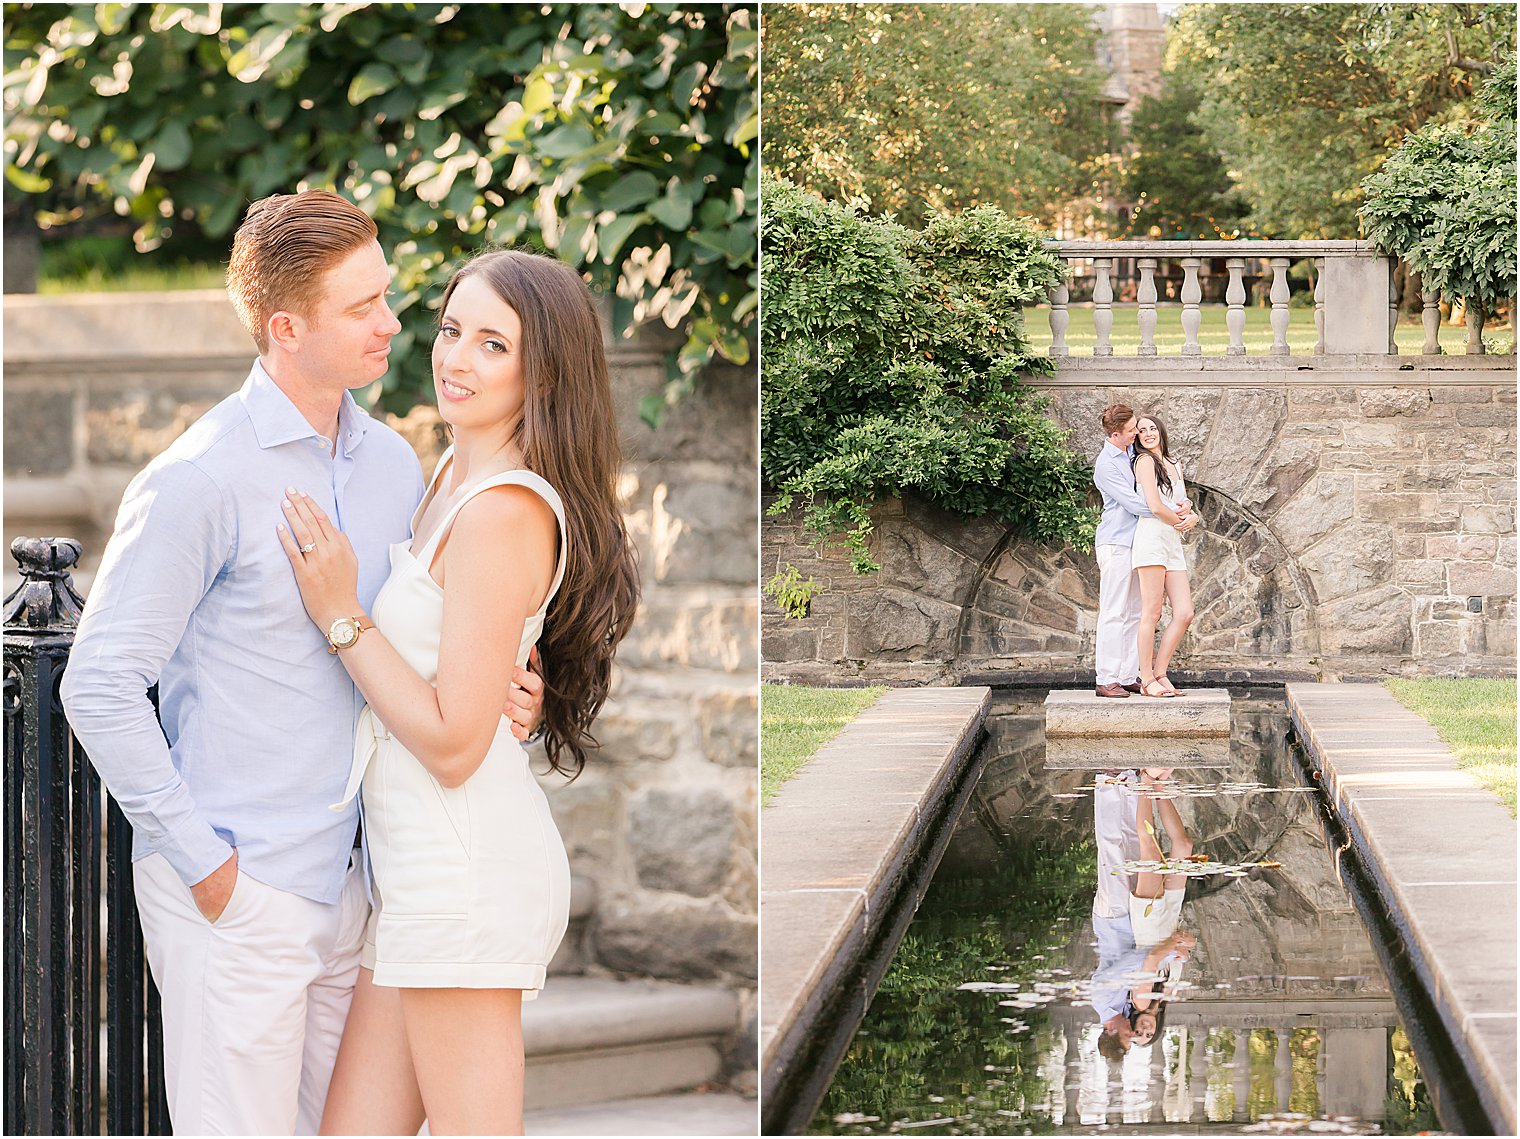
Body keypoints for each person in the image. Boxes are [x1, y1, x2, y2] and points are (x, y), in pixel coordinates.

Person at [60, 191, 543, 1136]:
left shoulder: (397, 468)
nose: (393, 323)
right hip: (242, 891)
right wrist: (206, 869)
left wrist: (512, 685)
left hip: (359, 888)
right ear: (286, 327)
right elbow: (98, 682)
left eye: (387, 295)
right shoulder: (200, 478)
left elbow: (416, 634)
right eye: (361, 306)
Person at [277, 248, 640, 1135]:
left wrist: (339, 612)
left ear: (540, 371)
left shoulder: (501, 511)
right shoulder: (447, 479)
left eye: (492, 345)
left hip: (462, 871)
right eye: (450, 330)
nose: (455, 358)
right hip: (412, 872)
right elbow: (470, 659)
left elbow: (451, 741)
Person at [1091, 404, 1195, 699]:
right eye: (1132, 429)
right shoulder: (1107, 465)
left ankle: (1128, 675)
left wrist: (1183, 509)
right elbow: (1139, 504)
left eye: (1140, 426)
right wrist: (1177, 517)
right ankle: (1107, 678)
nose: (1138, 432)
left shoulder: (1131, 454)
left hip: (1137, 540)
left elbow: (1164, 492)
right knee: (1114, 611)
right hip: (1116, 540)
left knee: (1136, 612)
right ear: (1116, 434)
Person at [1130, 414, 1195, 698]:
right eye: (1141, 430)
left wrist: (1193, 516)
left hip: (1172, 543)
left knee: (1184, 613)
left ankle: (1160, 671)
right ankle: (1146, 678)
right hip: (1152, 540)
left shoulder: (1174, 463)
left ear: (1161, 431)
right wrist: (1181, 521)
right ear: (1136, 437)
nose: (1147, 433)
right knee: (1152, 612)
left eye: (1152, 428)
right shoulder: (1144, 462)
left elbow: (1181, 503)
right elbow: (1155, 506)